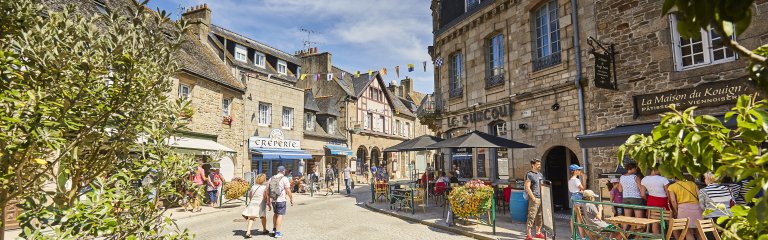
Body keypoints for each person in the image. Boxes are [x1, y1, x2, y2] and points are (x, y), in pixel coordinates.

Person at [667, 175, 702, 240]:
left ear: (674, 178)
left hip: (683, 209)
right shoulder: (692, 183)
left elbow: (673, 201)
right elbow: (700, 196)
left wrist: (676, 210)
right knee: (699, 232)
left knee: (688, 232)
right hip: (697, 208)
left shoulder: (672, 187)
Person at [265, 166, 294, 238]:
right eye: (284, 171)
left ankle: (274, 230)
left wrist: (268, 201)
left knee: (275, 214)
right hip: (281, 200)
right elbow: (288, 190)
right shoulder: (284, 178)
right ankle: (277, 233)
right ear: (283, 171)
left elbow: (267, 191)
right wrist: (291, 199)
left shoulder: (271, 178)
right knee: (280, 215)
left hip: (273, 200)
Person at [640, 166, 669, 234]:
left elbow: (643, 194)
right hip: (663, 201)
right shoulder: (663, 179)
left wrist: (647, 199)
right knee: (669, 221)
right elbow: (668, 193)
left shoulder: (644, 179)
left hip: (651, 201)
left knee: (654, 222)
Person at [242, 174, 269, 238]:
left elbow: (250, 195)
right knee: (263, 217)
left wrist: (252, 201)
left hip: (253, 203)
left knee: (251, 218)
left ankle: (248, 232)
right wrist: (267, 202)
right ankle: (264, 229)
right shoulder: (264, 187)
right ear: (264, 180)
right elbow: (265, 196)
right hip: (261, 203)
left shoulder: (253, 186)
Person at [525, 159, 545, 240]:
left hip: (541, 198)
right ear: (533, 165)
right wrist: (533, 198)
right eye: (537, 164)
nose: (539, 166)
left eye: (539, 164)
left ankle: (538, 232)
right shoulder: (529, 174)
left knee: (540, 216)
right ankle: (529, 234)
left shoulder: (540, 174)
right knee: (531, 215)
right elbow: (527, 187)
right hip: (534, 198)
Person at [568, 164, 586, 238]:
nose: (579, 171)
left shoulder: (570, 180)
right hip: (578, 197)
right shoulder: (576, 180)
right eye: (578, 170)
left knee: (573, 217)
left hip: (573, 197)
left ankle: (574, 235)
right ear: (574, 171)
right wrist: (584, 179)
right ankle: (582, 237)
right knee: (579, 218)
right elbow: (583, 188)